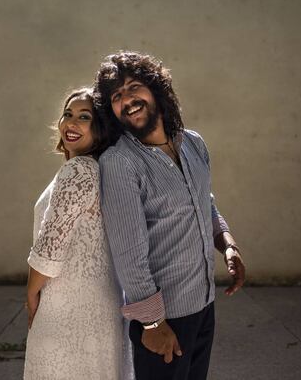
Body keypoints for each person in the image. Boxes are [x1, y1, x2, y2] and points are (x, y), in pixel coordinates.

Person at [94, 51, 246, 380]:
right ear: (112, 110)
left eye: (134, 87)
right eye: (117, 96)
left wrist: (228, 244)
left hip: (204, 305)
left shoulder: (193, 143)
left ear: (157, 89)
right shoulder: (120, 163)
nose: (127, 99)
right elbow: (128, 252)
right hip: (164, 318)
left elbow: (204, 203)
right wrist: (152, 323)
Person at [23, 87, 133, 379]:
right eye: (68, 114)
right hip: (101, 304)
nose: (71, 123)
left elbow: (49, 249)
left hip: (68, 307)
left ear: (102, 127)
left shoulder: (79, 171)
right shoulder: (100, 168)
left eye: (84, 117)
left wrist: (31, 294)